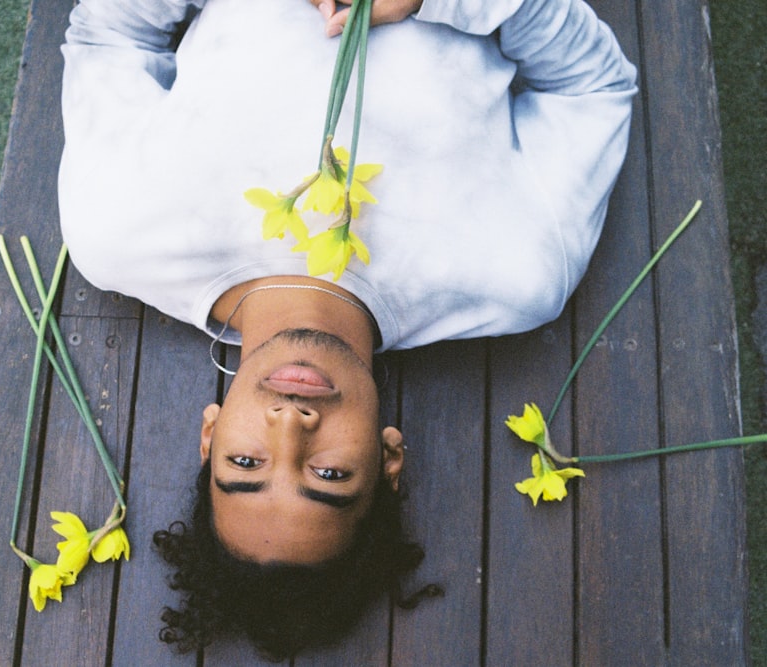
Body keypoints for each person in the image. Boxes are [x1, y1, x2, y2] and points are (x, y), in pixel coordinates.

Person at [58, 0, 637, 658]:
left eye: (246, 463)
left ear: (210, 434)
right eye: (329, 475)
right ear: (389, 459)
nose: (292, 422)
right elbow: (596, 86)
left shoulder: (116, 234)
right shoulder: (515, 274)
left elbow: (106, 33)